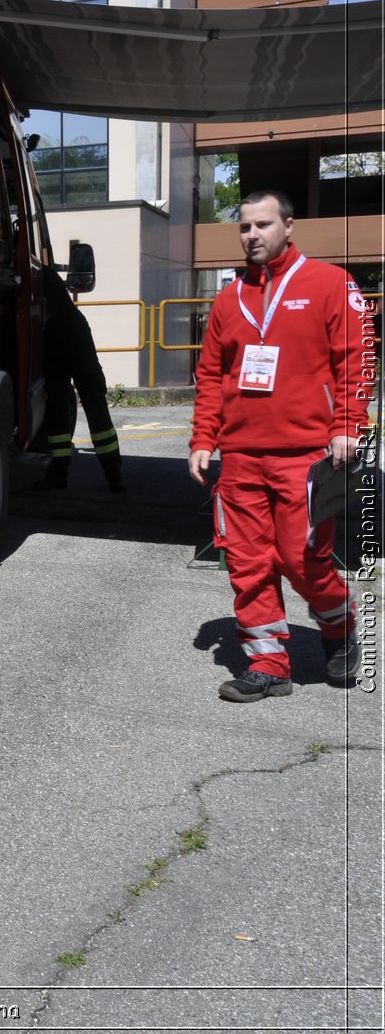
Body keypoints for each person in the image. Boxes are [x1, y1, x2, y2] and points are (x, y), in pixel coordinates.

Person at [189, 189, 370, 702]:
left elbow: (357, 360)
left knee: (303, 559)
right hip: (242, 456)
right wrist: (204, 437)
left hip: (307, 454)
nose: (252, 236)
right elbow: (210, 376)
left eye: (263, 225)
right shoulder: (228, 299)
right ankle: (268, 664)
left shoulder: (331, 283)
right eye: (245, 227)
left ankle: (340, 626)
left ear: (289, 226)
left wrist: (348, 424)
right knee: (247, 563)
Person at [35, 269, 125, 492]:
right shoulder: (70, 313)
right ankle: (114, 476)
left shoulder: (38, 277)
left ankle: (59, 474)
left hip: (58, 340)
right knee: (96, 412)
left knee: (58, 412)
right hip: (75, 342)